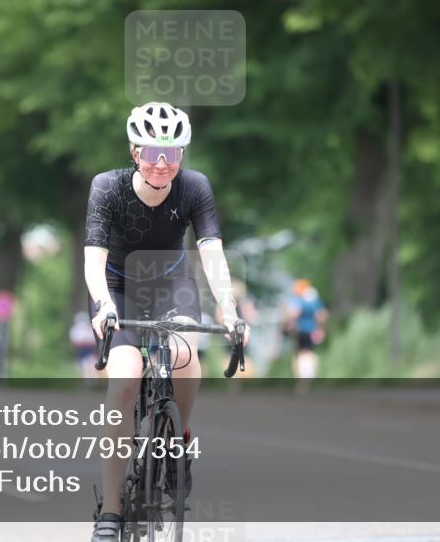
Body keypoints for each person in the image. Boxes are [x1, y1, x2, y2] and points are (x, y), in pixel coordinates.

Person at [85, 102, 249, 541]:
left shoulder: (194, 188)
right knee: (124, 380)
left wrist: (230, 311)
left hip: (171, 284)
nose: (162, 163)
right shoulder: (108, 188)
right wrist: (103, 304)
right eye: (153, 151)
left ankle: (177, 443)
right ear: (134, 151)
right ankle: (113, 511)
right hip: (117, 289)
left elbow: (212, 253)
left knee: (183, 354)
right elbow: (93, 260)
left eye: (172, 153)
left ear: (182, 156)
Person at [283, 279, 329, 382]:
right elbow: (322, 315)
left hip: (301, 331)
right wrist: (322, 330)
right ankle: (312, 377)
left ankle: (303, 380)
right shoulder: (314, 301)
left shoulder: (299, 300)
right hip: (313, 332)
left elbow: (295, 313)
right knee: (311, 354)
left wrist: (287, 324)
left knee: (301, 355)